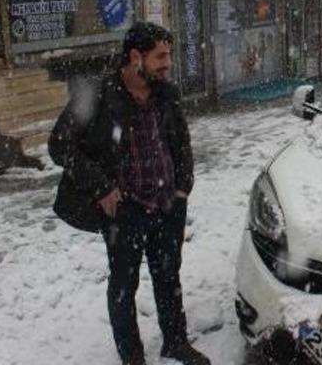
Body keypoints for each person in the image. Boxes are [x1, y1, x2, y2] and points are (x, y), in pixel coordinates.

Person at [49, 22, 210, 365]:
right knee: (124, 285)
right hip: (125, 211)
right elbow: (59, 145)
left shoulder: (166, 93)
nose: (168, 64)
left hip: (167, 205)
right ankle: (132, 356)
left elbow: (181, 143)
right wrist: (101, 186)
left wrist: (182, 188)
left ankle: (175, 342)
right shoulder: (100, 94)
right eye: (160, 56)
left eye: (169, 55)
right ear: (136, 57)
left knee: (168, 276)